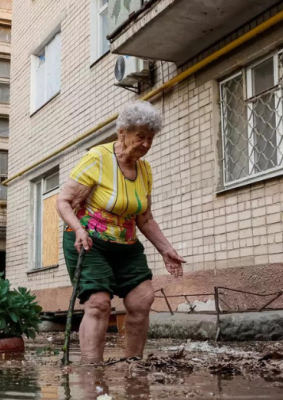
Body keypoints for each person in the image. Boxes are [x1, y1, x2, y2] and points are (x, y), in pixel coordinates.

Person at [57, 100, 185, 364]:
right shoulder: (97, 158)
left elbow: (144, 217)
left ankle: (133, 365)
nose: (146, 144)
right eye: (141, 137)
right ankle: (92, 372)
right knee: (99, 304)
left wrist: (166, 249)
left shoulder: (145, 170)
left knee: (142, 300)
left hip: (126, 244)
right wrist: (79, 229)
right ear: (122, 133)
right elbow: (64, 201)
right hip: (89, 241)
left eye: (150, 138)